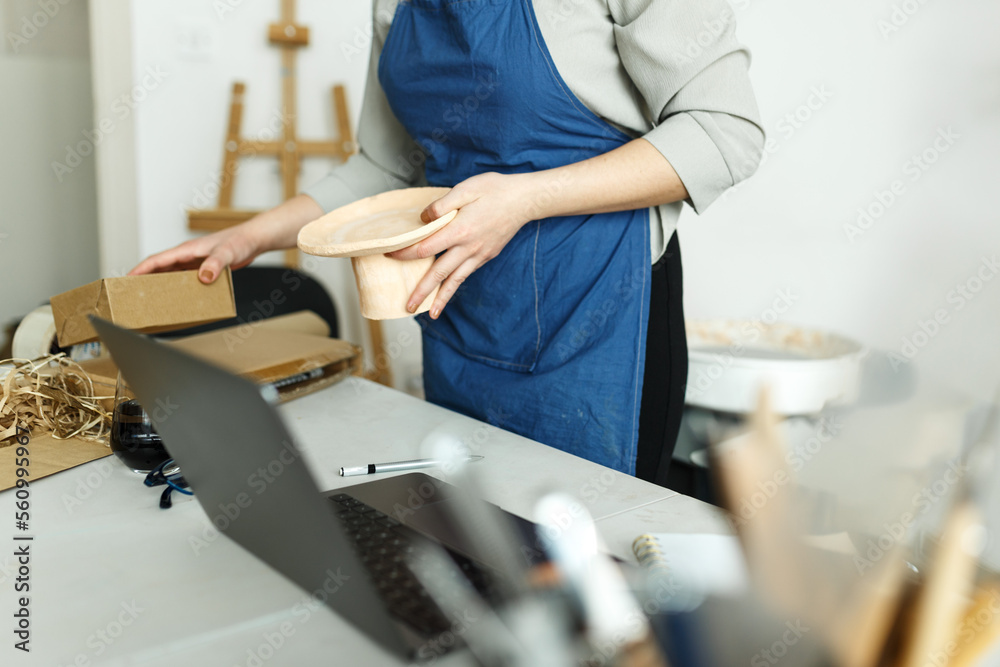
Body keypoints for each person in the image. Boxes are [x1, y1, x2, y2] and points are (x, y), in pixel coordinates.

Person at [131, 0, 764, 484]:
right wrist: (249, 238)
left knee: (595, 584)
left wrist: (524, 199)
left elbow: (725, 133)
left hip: (597, 318)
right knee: (479, 546)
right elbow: (384, 166)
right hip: (464, 317)